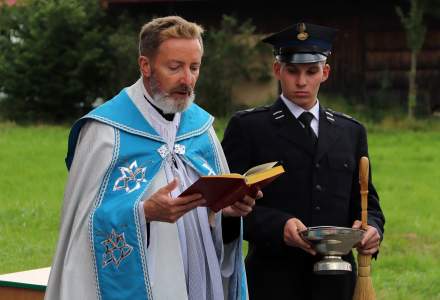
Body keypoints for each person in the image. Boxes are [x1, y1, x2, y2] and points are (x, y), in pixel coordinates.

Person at [45, 16, 260, 300]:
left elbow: (214, 216)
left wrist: (226, 213)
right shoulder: (106, 132)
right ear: (145, 65)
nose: (187, 80)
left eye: (194, 67)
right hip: (147, 281)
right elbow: (84, 226)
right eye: (175, 67)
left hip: (199, 274)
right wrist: (144, 213)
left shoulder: (200, 129)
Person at [222, 22, 385, 300]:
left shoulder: (351, 131)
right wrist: (278, 226)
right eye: (292, 71)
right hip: (272, 280)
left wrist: (372, 229)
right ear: (277, 71)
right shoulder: (248, 128)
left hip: (338, 282)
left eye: (311, 72)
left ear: (325, 72)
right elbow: (224, 208)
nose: (301, 81)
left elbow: (367, 204)